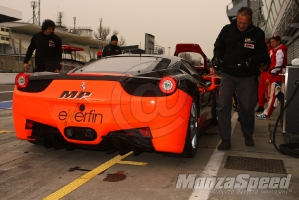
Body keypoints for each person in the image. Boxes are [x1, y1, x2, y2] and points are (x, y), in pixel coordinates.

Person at [212, 7, 269, 150]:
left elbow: (263, 55)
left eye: (244, 23)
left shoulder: (258, 34)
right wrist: (217, 58)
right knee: (223, 106)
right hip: (228, 74)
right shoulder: (227, 30)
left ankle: (248, 133)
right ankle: (225, 139)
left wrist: (251, 60)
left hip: (247, 76)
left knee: (248, 107)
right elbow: (218, 47)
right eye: (239, 21)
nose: (241, 25)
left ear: (250, 22)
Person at [257, 35, 287, 119]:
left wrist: (271, 73)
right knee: (275, 96)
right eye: (271, 42)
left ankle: (267, 113)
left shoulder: (279, 51)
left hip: (275, 77)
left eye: (273, 42)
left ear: (278, 42)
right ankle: (267, 112)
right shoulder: (277, 50)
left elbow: (278, 65)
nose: (272, 44)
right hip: (277, 76)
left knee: (273, 96)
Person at [256, 38, 273, 112]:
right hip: (263, 72)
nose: (266, 45)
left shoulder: (271, 51)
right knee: (261, 90)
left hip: (269, 72)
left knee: (268, 91)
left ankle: (269, 107)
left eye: (267, 43)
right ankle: (261, 105)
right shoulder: (263, 51)